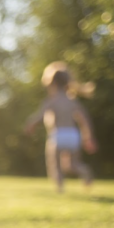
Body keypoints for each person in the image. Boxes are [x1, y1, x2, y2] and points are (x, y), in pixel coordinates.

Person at [24, 62, 97, 193]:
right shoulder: (72, 101)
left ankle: (60, 188)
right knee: (73, 164)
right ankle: (85, 171)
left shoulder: (52, 100)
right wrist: (88, 136)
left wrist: (31, 124)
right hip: (73, 135)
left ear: (51, 84)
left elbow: (40, 115)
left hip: (57, 135)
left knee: (55, 164)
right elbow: (84, 119)